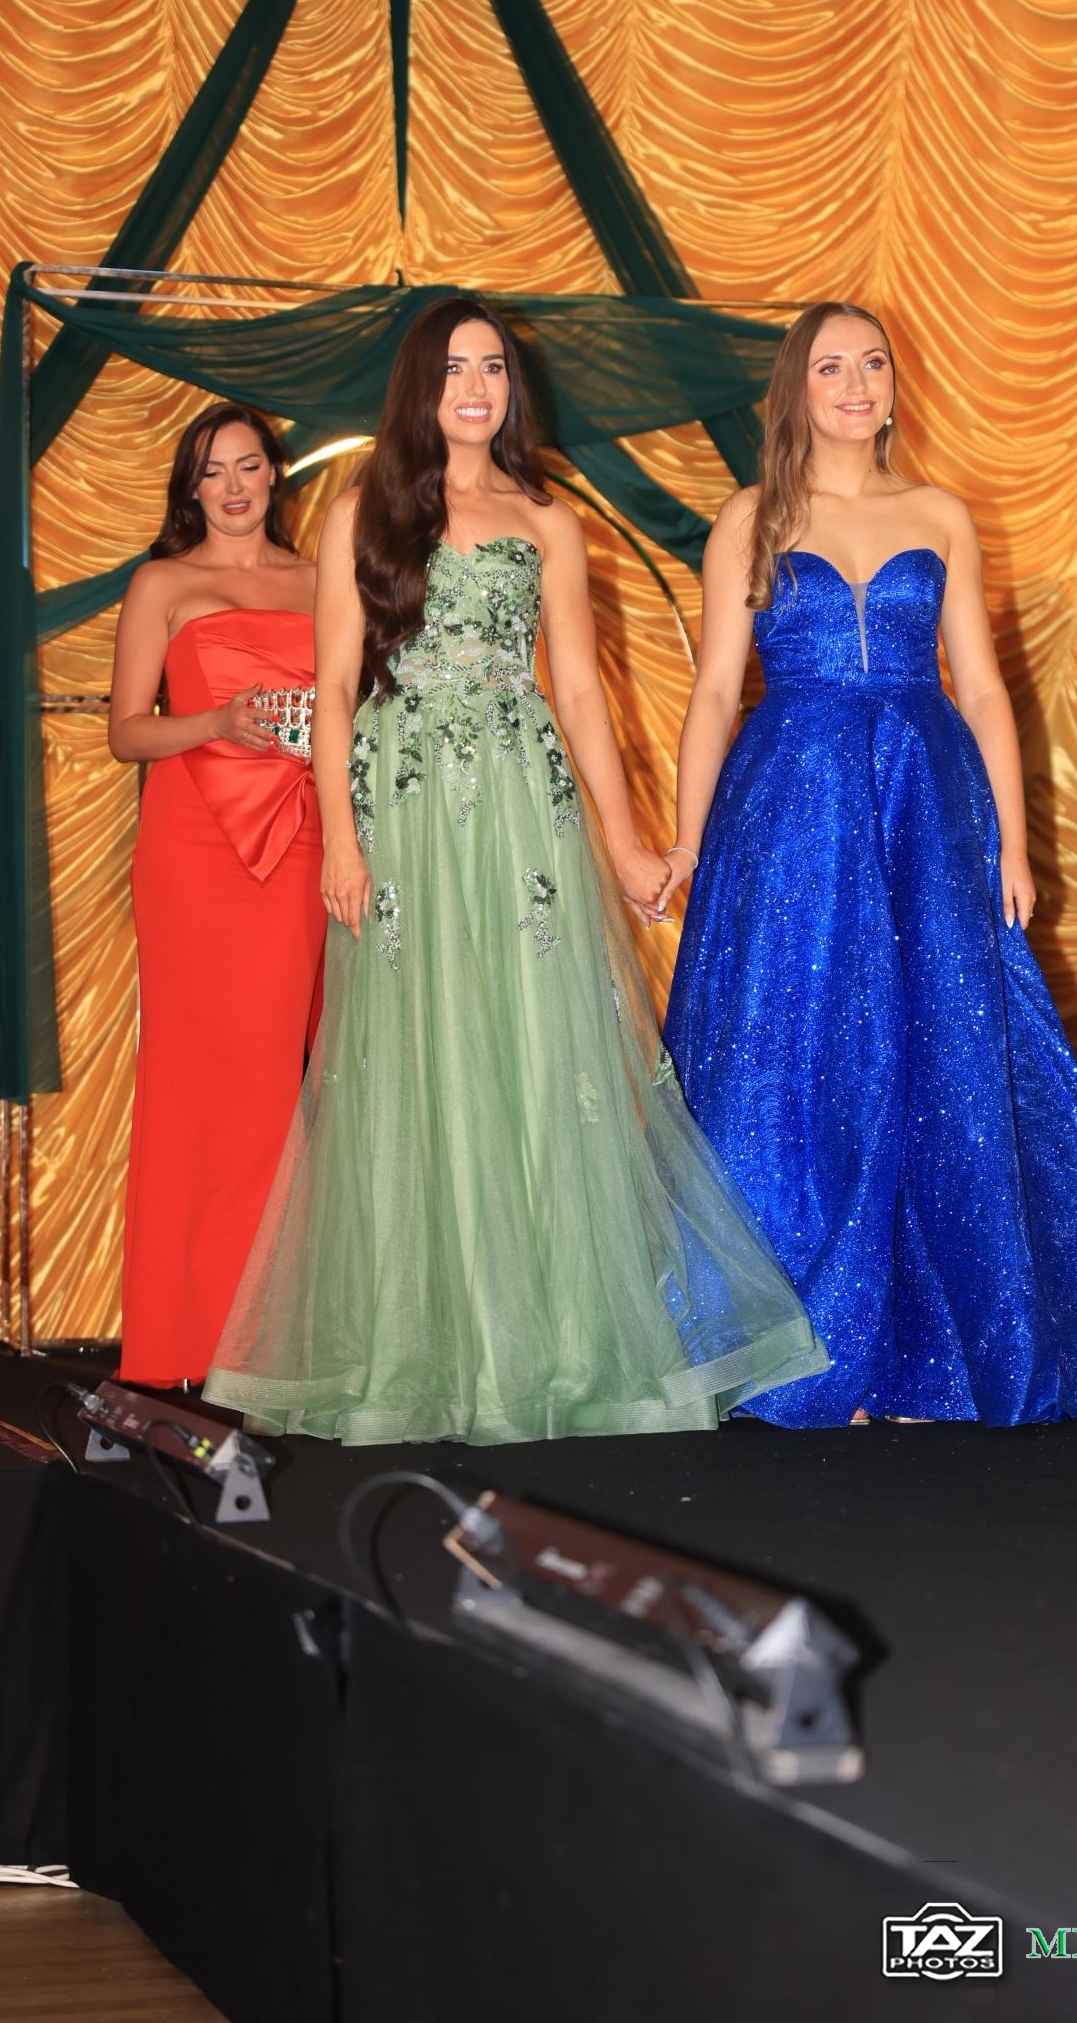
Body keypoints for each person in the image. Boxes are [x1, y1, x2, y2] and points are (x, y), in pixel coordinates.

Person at [204, 297, 824, 1444]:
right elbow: (332, 687)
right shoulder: (360, 511)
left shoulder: (548, 519)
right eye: (454, 369)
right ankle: (424, 1347)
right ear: (420, 385)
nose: (476, 388)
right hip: (402, 807)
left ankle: (558, 1345)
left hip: (521, 805)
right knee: (414, 1055)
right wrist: (339, 836)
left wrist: (626, 840)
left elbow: (578, 691)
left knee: (540, 1051)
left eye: (491, 368)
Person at [661, 301, 1077, 1427]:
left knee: (938, 1066)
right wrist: (690, 838)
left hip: (925, 806)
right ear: (797, 388)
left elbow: (982, 690)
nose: (856, 384)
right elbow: (717, 691)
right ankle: (797, 1351)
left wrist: (1011, 842)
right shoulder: (751, 517)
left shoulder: (939, 513)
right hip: (795, 812)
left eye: (872, 363)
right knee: (799, 1065)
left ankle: (929, 1355)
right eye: (831, 367)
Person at [110, 402, 324, 1387]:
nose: (232, 487)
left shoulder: (321, 580)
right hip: (191, 850)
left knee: (271, 1081)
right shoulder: (162, 582)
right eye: (212, 472)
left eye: (247, 466)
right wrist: (214, 722)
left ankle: (257, 1344)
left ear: (274, 473)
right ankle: (172, 1343)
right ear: (190, 488)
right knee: (188, 1085)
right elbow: (126, 732)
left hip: (297, 843)